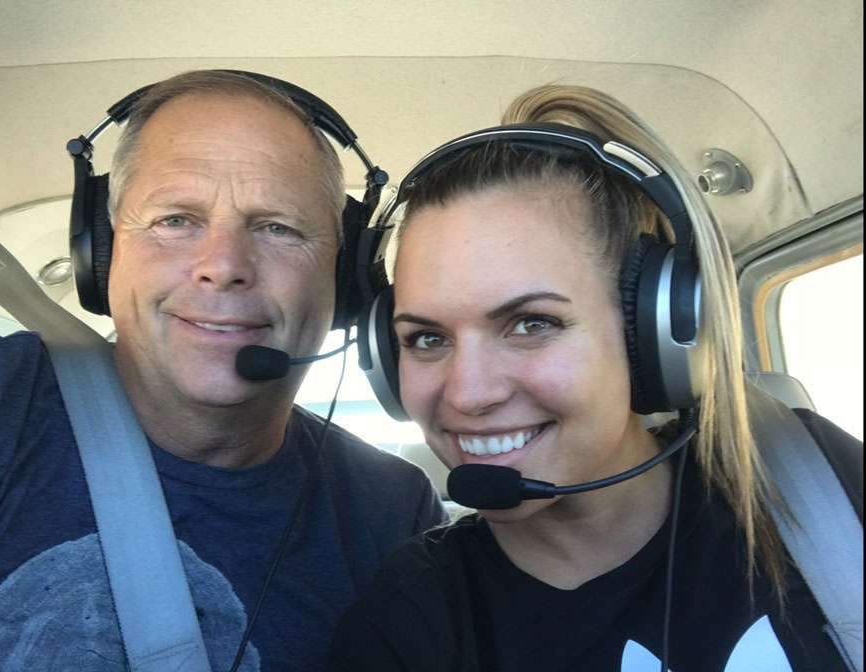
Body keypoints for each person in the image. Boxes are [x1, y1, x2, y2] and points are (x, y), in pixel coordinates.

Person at [328, 85, 860, 671]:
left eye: (531, 323)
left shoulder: (816, 485)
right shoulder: (410, 621)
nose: (468, 394)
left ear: (650, 334)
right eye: (426, 339)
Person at [0, 70, 446, 672]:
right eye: (175, 220)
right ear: (104, 250)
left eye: (278, 227)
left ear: (345, 276)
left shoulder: (391, 511)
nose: (221, 266)